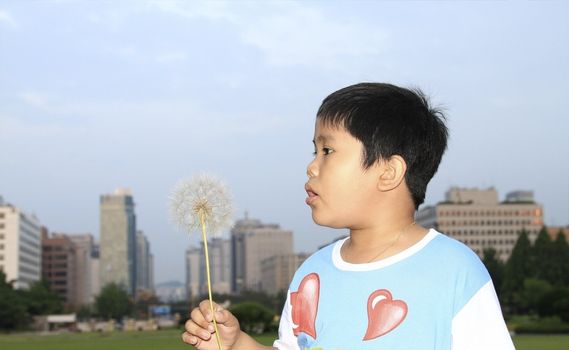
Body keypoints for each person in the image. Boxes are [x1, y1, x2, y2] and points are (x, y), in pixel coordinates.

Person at [182, 83, 515, 350]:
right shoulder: (311, 274)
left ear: (388, 172)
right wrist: (237, 343)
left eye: (327, 151)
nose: (311, 165)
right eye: (315, 150)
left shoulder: (455, 270)